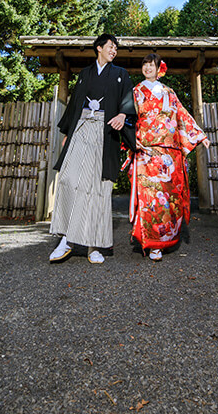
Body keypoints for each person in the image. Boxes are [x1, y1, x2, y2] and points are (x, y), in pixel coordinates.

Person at [49, 34, 135, 264]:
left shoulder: (120, 74)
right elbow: (76, 102)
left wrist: (122, 114)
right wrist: (68, 133)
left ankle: (93, 245)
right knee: (68, 179)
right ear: (99, 48)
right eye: (110, 46)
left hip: (105, 132)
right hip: (82, 128)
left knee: (98, 187)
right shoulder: (85, 74)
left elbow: (128, 99)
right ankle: (66, 238)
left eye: (116, 48)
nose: (114, 50)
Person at [127, 52, 209, 261]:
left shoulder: (168, 92)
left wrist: (199, 135)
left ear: (158, 68)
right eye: (144, 64)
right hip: (146, 151)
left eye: (151, 64)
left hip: (168, 155)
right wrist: (130, 139)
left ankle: (165, 240)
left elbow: (181, 114)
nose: (147, 68)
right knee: (149, 199)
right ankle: (151, 242)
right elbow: (127, 117)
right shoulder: (135, 92)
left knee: (168, 201)